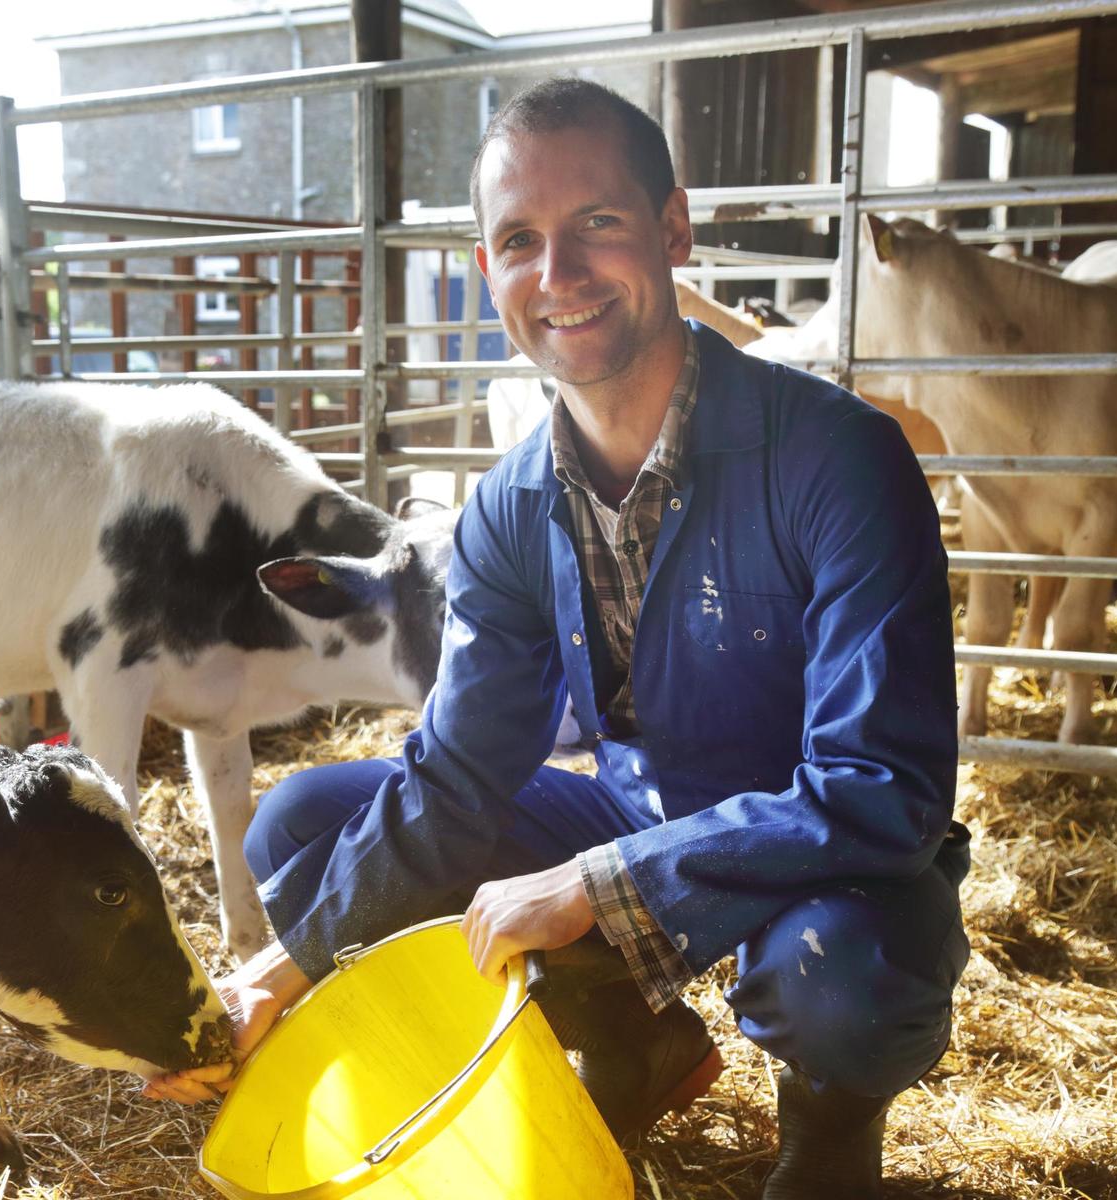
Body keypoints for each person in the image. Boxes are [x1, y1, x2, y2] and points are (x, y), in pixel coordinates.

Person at [147, 77, 969, 1199]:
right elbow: (455, 778)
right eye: (519, 241)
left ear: (672, 228)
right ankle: (633, 1038)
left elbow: (882, 787)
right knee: (301, 828)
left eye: (597, 225)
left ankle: (827, 1135)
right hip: (638, 806)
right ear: (489, 270)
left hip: (820, 851)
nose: (558, 275)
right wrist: (279, 975)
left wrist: (599, 884)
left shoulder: (836, 459)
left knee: (840, 980)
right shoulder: (507, 508)